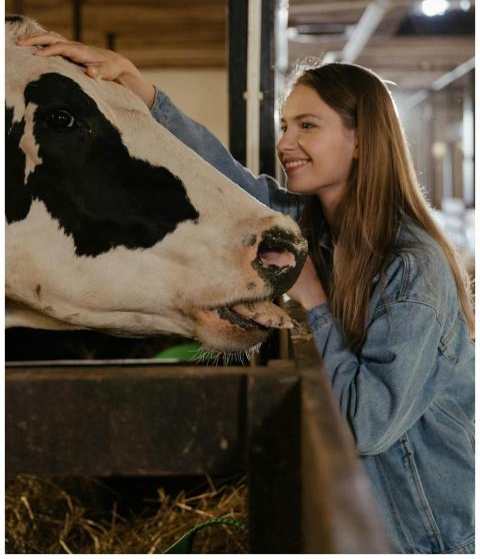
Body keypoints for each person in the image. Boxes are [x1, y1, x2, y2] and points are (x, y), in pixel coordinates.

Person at [17, 31, 475, 554]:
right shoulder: (318, 227)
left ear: (362, 139)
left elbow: (366, 424)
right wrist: (141, 91)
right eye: (284, 125)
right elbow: (226, 179)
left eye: (307, 126)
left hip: (421, 536)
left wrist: (314, 302)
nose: (284, 143)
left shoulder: (413, 268)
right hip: (359, 525)